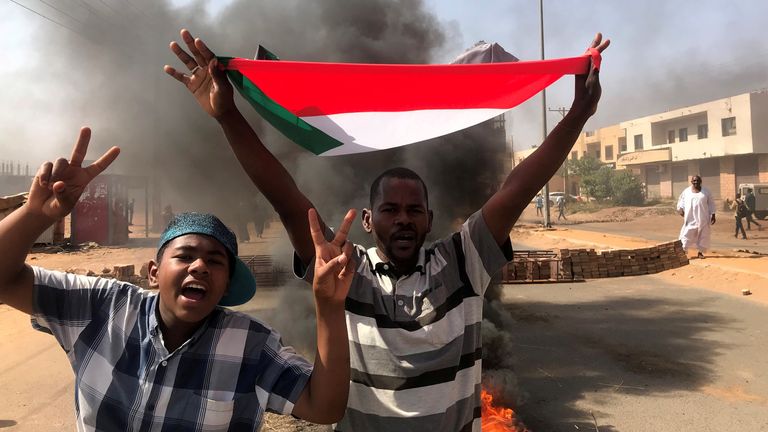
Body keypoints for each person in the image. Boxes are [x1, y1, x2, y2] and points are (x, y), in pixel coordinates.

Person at [165, 29, 609, 431]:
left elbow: (518, 187)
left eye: (415, 210)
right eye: (390, 209)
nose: (403, 219)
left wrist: (576, 116)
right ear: (368, 220)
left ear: (429, 220)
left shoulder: (463, 261)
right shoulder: (345, 272)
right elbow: (285, 197)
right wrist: (228, 117)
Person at [0, 127, 354, 430]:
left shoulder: (251, 346)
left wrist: (330, 305)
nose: (199, 267)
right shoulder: (101, 306)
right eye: (184, 256)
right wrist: (33, 215)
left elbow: (323, 407)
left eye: (215, 261)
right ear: (153, 273)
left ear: (227, 284)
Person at [677, 175, 716, 259]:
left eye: (697, 181)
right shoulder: (686, 191)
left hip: (703, 217)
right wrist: (680, 209)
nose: (696, 182)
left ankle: (700, 252)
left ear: (700, 182)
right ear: (691, 182)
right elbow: (681, 201)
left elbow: (711, 203)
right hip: (690, 218)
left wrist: (713, 214)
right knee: (686, 234)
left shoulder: (706, 191)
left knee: (703, 235)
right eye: (694, 181)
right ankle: (684, 251)